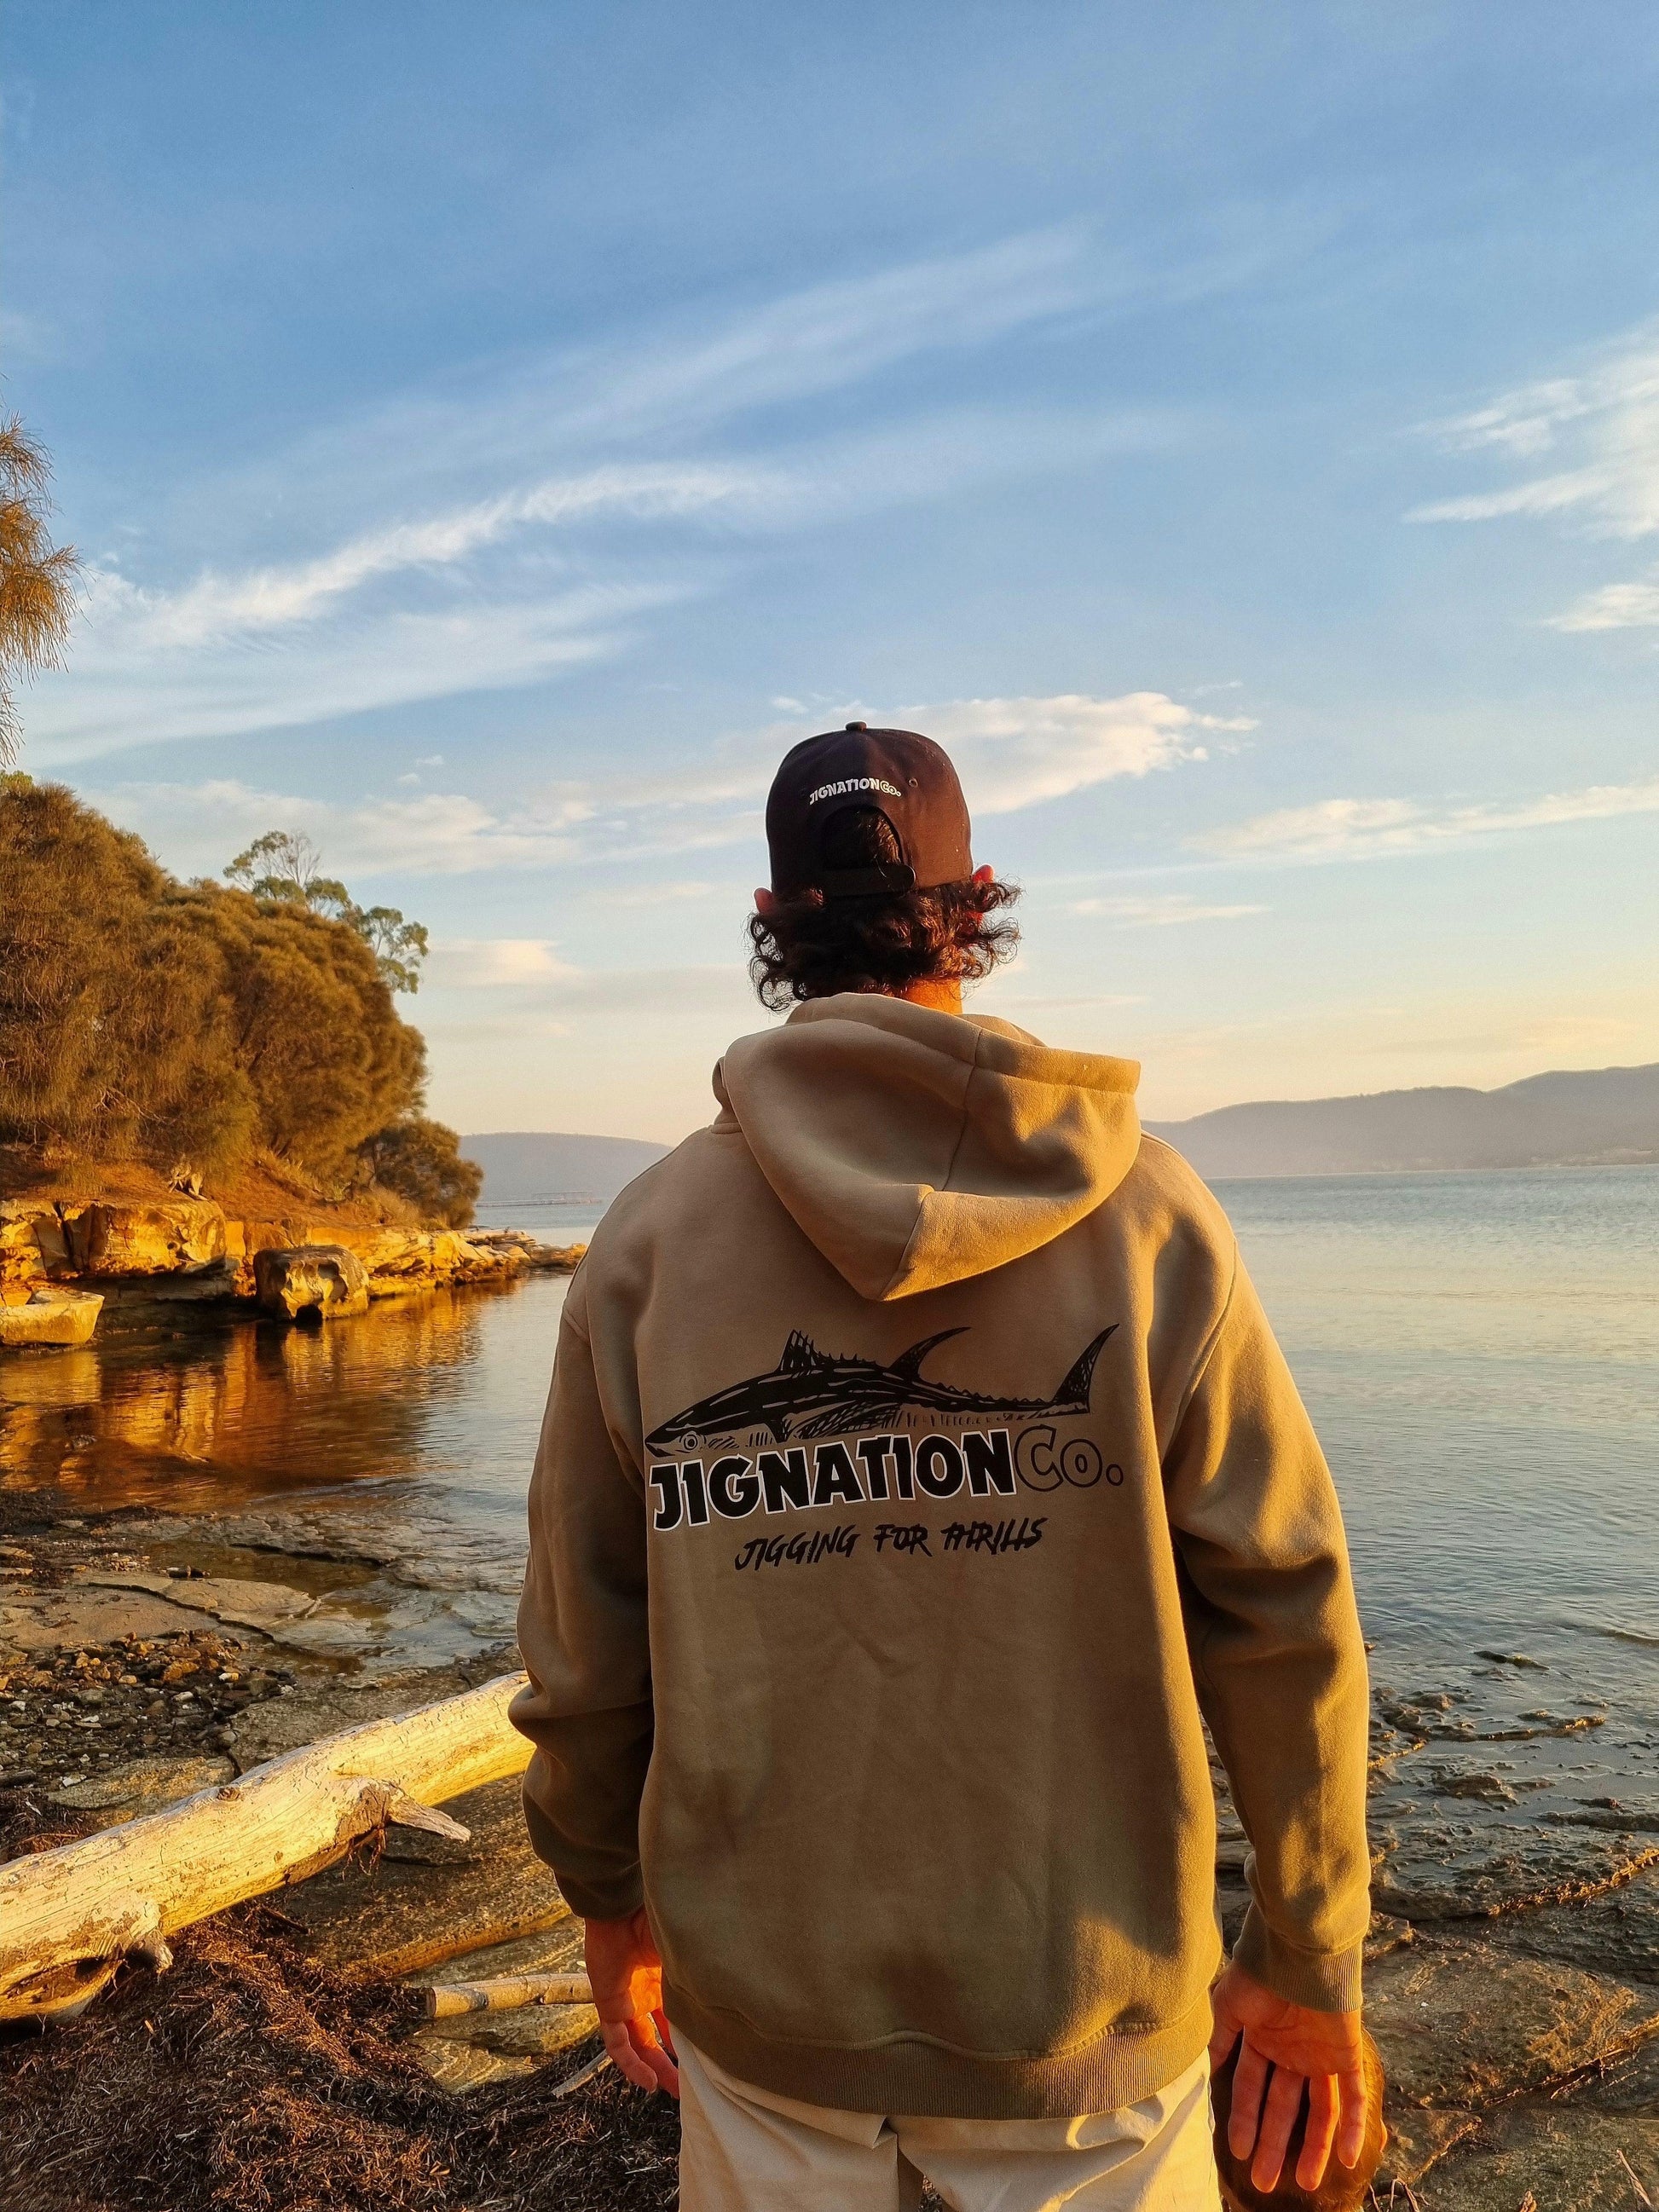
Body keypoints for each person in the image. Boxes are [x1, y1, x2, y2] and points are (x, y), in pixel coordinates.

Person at [512, 724, 1373, 2212]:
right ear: (972, 907)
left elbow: (585, 1648)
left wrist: (607, 1899)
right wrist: (1305, 1951)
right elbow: (1284, 1603)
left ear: (771, 919)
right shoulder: (1150, 1215)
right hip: (1086, 2030)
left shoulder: (645, 1244)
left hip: (767, 2026)